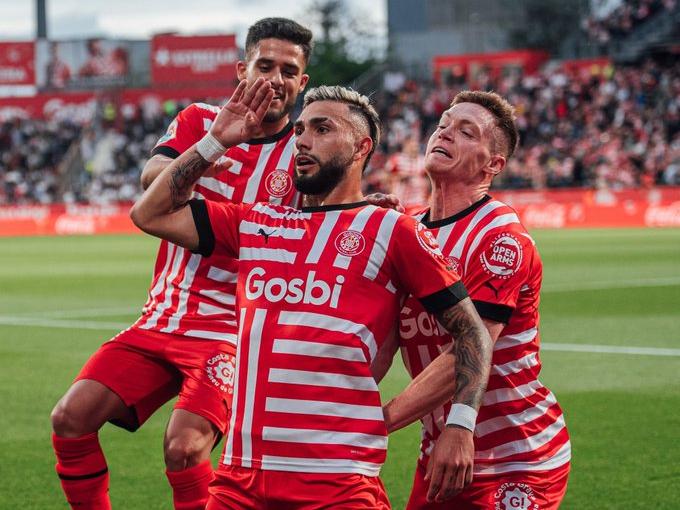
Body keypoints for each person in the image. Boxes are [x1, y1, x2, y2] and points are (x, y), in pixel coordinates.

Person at [130, 80, 495, 509]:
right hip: (239, 480)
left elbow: (472, 333)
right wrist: (215, 142)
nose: (302, 141)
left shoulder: (392, 231)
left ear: (361, 147)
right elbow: (149, 213)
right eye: (300, 130)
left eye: (322, 129)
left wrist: (460, 424)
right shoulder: (255, 224)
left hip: (338, 481)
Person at [50, 18, 313, 510]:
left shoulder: (305, 150)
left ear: (303, 82)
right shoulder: (200, 120)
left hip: (233, 329)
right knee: (70, 418)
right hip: (163, 317)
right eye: (265, 65)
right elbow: (153, 180)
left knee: (184, 446)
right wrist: (214, 145)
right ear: (242, 69)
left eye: (289, 70)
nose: (275, 78)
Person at [393, 91, 571, 508]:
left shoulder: (499, 238)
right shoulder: (406, 228)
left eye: (465, 131)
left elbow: (469, 348)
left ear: (494, 165)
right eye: (444, 123)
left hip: (515, 457)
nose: (445, 132)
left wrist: (377, 422)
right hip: (440, 451)